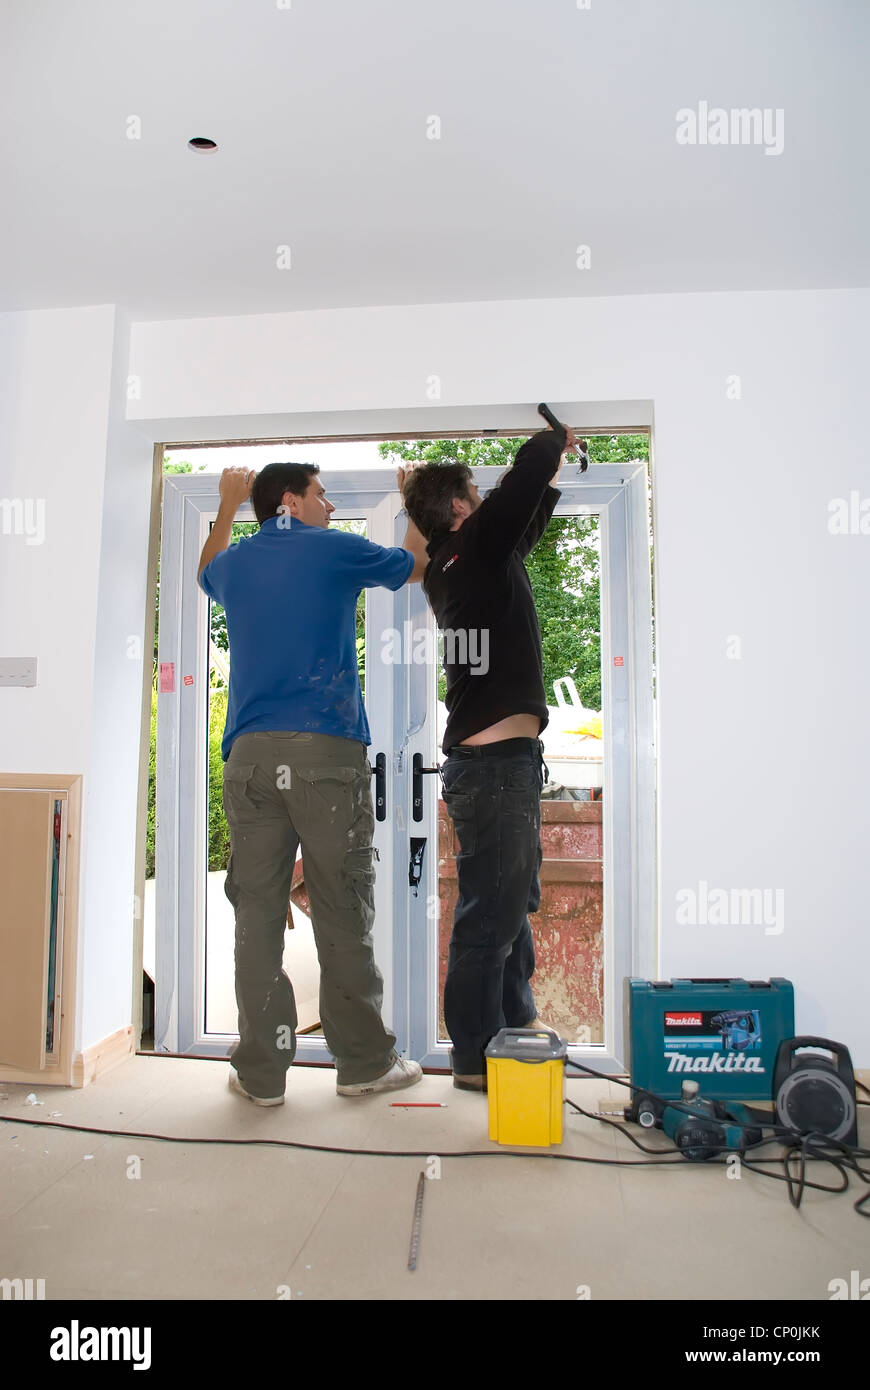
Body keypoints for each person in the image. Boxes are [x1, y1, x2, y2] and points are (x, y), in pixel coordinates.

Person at [197, 461, 429, 1105]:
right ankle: (362, 1064)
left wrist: (226, 503)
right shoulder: (334, 549)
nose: (330, 505)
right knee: (340, 906)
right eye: (322, 494)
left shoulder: (236, 564)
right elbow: (415, 566)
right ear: (292, 502)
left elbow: (203, 570)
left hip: (249, 757)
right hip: (324, 754)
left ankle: (263, 1076)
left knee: (259, 915)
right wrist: (412, 504)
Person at [401, 423, 578, 1089]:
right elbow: (517, 494)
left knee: (508, 904)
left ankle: (511, 1028)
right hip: (495, 769)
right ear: (459, 509)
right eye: (474, 494)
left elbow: (520, 527)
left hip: (502, 766)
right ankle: (475, 1059)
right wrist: (551, 440)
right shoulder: (468, 553)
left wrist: (551, 484)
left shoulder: (458, 566)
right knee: (490, 918)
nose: (483, 503)